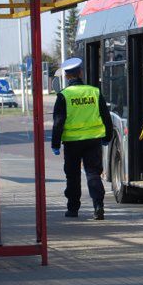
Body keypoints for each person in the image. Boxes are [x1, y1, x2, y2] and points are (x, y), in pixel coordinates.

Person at [51, 58, 113, 220]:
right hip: (93, 140)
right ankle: (98, 206)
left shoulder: (63, 96)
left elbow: (58, 122)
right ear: (80, 73)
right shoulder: (94, 92)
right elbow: (106, 116)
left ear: (67, 76)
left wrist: (55, 144)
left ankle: (73, 209)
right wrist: (108, 136)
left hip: (72, 143)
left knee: (72, 176)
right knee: (93, 173)